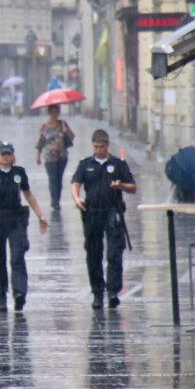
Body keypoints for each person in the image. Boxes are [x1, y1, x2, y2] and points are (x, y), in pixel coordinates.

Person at [0, 143, 48, 312]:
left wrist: (40, 216)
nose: (5, 157)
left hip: (15, 220)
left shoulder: (19, 173)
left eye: (8, 154)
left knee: (17, 257)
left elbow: (28, 194)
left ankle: (19, 293)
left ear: (13, 156)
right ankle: (1, 294)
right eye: (3, 154)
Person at [71, 129, 136, 309]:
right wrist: (77, 199)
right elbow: (75, 183)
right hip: (92, 212)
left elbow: (133, 187)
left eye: (101, 146)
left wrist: (121, 185)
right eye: (95, 147)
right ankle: (97, 292)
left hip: (112, 211)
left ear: (107, 145)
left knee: (114, 253)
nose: (98, 150)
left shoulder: (118, 164)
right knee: (93, 254)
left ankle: (113, 291)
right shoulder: (86, 164)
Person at [35, 104, 76, 210]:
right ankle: (54, 200)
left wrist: (66, 131)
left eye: (56, 111)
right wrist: (38, 157)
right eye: (52, 111)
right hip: (49, 157)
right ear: (49, 112)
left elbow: (71, 137)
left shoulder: (63, 124)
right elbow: (41, 142)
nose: (54, 113)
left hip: (62, 156)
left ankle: (57, 198)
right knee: (52, 179)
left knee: (59, 179)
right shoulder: (44, 126)